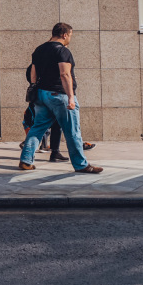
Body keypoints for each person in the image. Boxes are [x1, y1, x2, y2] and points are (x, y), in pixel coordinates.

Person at [18, 22, 101, 173]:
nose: (70, 38)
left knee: (37, 128)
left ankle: (26, 160)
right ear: (64, 35)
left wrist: (35, 89)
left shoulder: (39, 49)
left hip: (41, 95)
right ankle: (81, 165)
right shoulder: (63, 51)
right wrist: (70, 97)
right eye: (70, 35)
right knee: (73, 131)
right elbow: (65, 74)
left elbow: (33, 74)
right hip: (59, 95)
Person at [22, 62, 65, 160]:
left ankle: (55, 152)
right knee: (40, 126)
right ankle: (29, 154)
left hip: (43, 97)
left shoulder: (36, 65)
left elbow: (30, 78)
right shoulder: (41, 65)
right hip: (47, 97)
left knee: (55, 125)